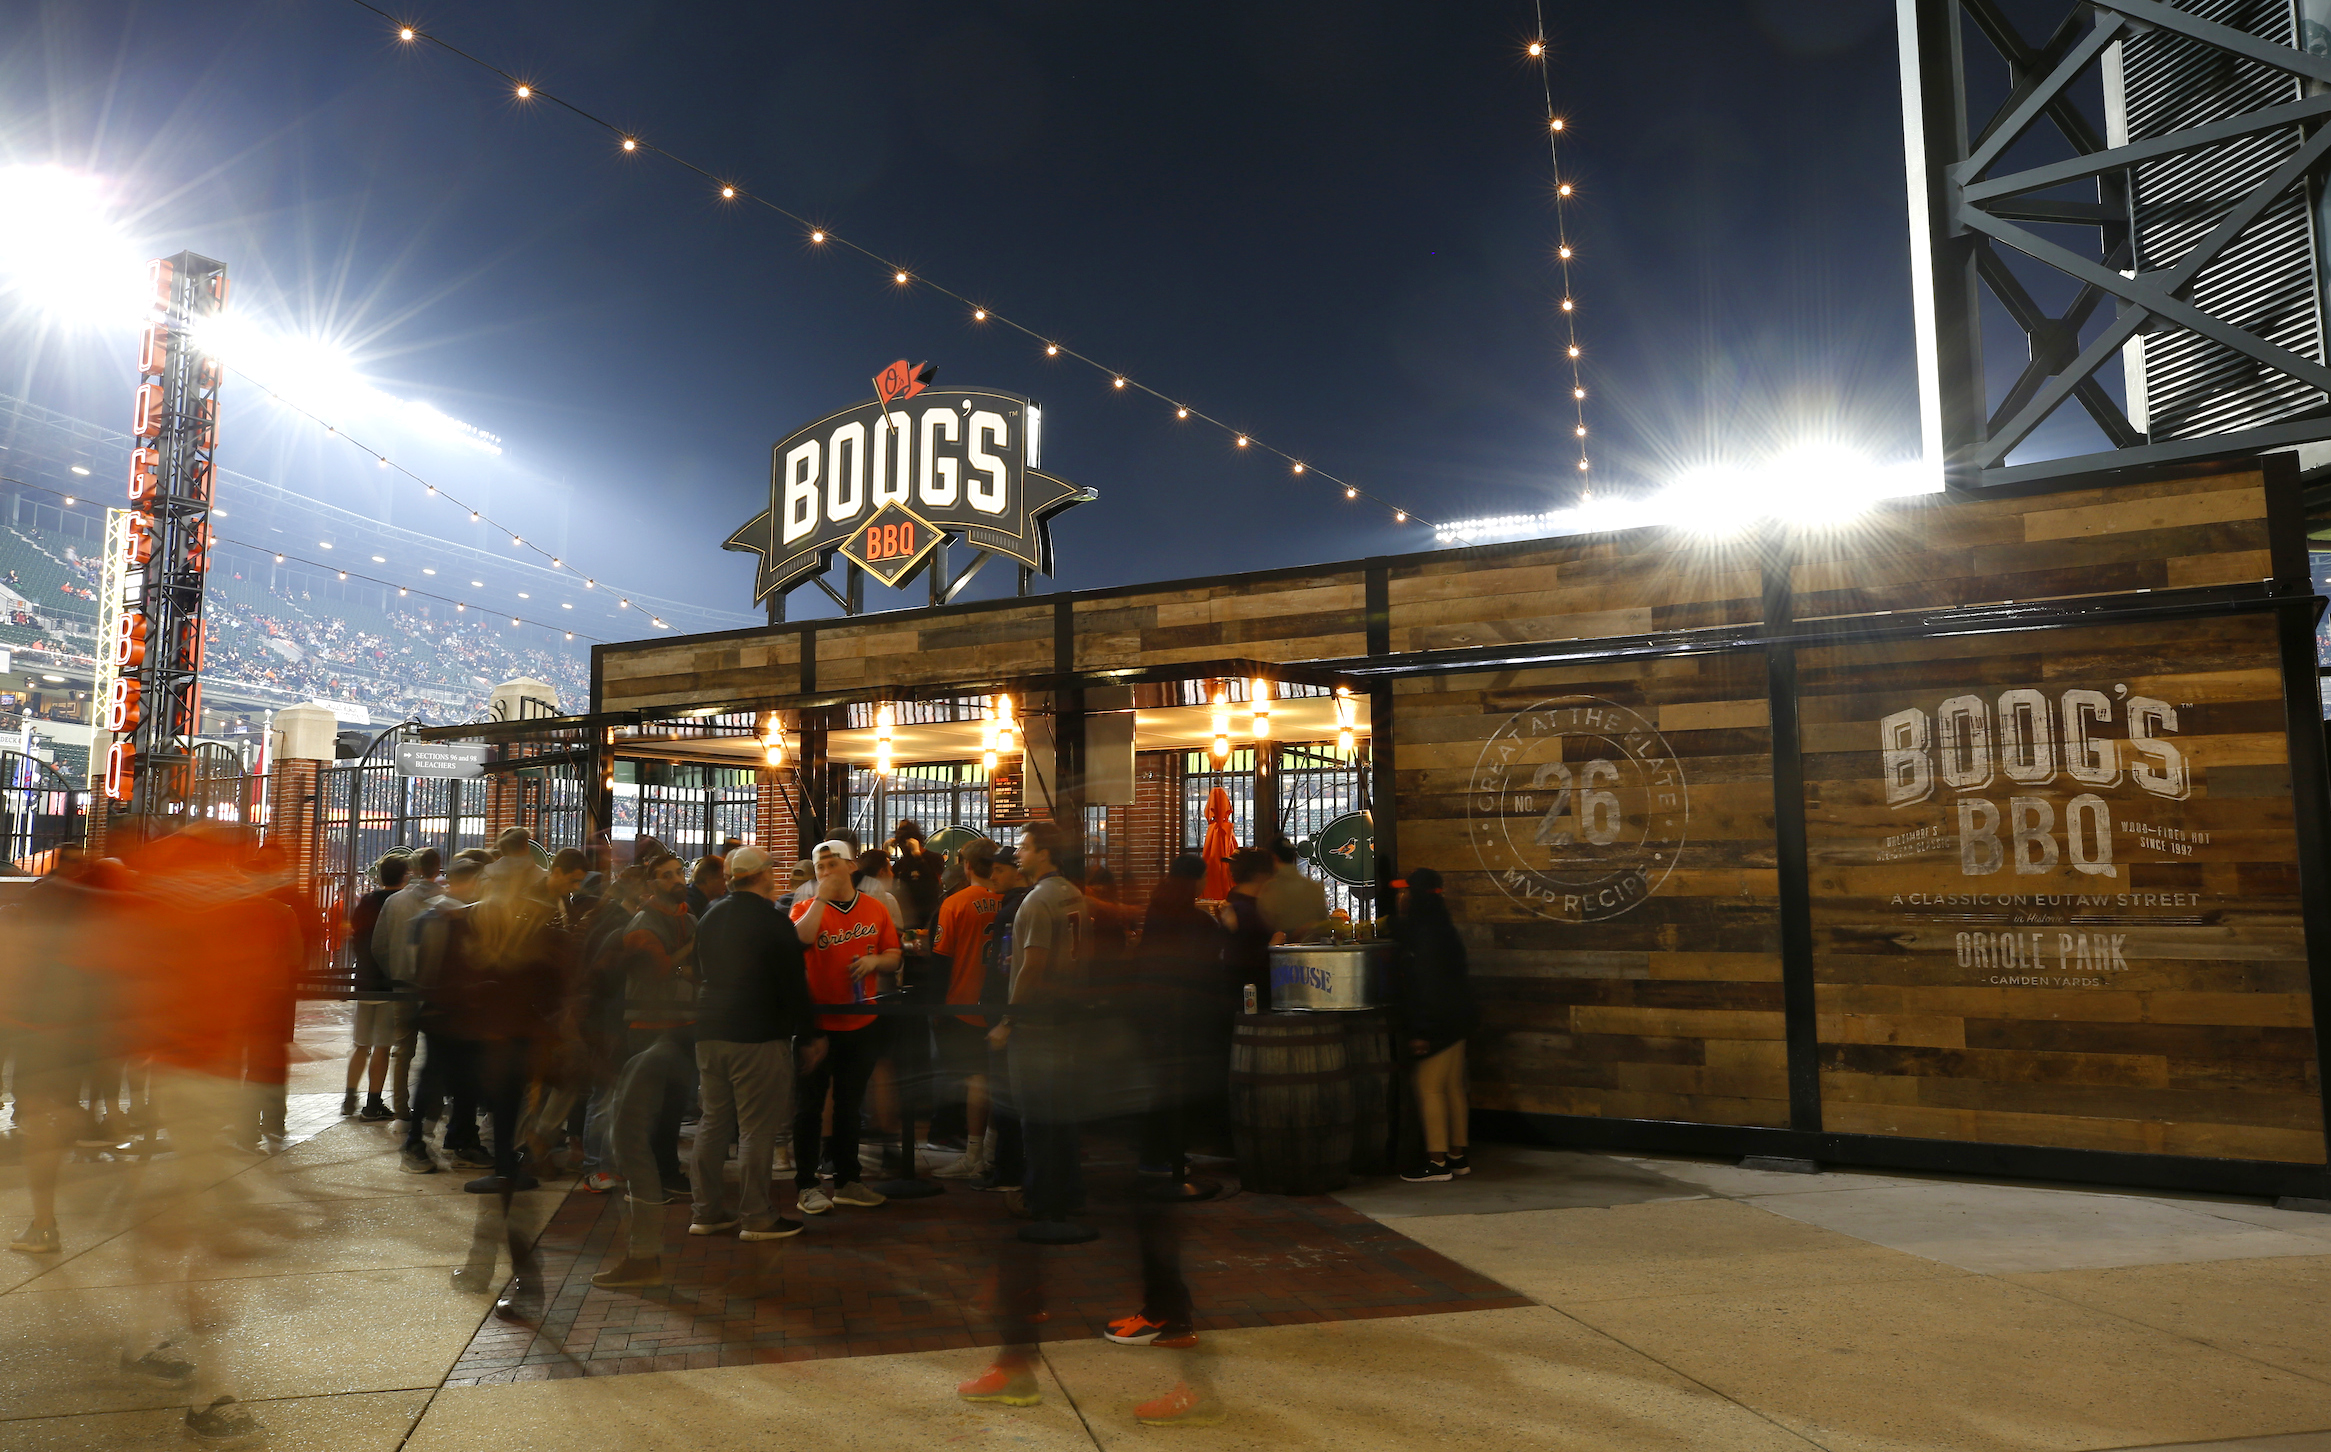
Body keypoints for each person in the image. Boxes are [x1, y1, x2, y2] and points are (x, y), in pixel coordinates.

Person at [685, 845, 822, 1242]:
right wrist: (810, 1033)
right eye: (771, 870)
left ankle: (706, 1211)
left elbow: (697, 969)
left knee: (713, 1123)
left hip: (710, 1029)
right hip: (757, 1033)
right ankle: (757, 1215)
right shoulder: (771, 921)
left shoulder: (711, 915)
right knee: (757, 1129)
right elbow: (793, 984)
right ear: (761, 875)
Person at [789, 839, 899, 1216]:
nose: (824, 871)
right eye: (819, 866)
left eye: (832, 864)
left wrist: (875, 963)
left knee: (851, 1105)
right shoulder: (805, 907)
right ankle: (806, 1184)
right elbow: (800, 940)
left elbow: (894, 954)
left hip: (861, 1020)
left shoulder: (874, 907)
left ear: (851, 867)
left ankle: (848, 1180)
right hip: (817, 1024)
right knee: (809, 1106)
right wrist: (821, 897)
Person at [994, 821, 1091, 1241]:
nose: (1018, 853)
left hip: (1036, 1024)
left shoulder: (1035, 902)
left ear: (1045, 852)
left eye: (1025, 846)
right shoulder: (1074, 894)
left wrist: (1008, 1019)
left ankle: (1042, 1200)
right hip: (1069, 1016)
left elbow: (1032, 964)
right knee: (1064, 1111)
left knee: (1035, 1116)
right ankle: (1070, 1194)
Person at [929, 840, 1011, 1180]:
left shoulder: (956, 903)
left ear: (967, 867)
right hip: (1001, 1006)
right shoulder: (1011, 901)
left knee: (976, 1079)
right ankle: (991, 1149)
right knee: (998, 1080)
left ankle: (975, 1153)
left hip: (963, 1002)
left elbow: (941, 959)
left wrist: (935, 1005)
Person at [1389, 868, 1478, 1183]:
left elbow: (1424, 985)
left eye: (1405, 891)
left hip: (1436, 1020)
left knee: (1428, 1087)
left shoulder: (1422, 934)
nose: (1400, 896)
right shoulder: (1443, 927)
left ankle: (1437, 1162)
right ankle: (1457, 1156)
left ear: (1416, 896)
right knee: (1453, 1087)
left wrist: (1421, 1031)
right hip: (1458, 1018)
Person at [372, 846, 448, 1119]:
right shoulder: (447, 901)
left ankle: (402, 1108)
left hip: (402, 984)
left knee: (403, 1050)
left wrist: (394, 972)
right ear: (438, 868)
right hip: (437, 989)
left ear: (412, 869)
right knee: (438, 1050)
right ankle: (434, 1107)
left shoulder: (394, 902)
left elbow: (379, 945)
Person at [344, 854, 410, 1121]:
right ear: (405, 876)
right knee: (382, 1046)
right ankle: (373, 1103)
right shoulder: (399, 904)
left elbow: (355, 936)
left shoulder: (367, 901)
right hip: (388, 982)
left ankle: (349, 1096)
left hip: (364, 980)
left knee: (361, 1044)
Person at [1215, 848, 1281, 1011]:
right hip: (1250, 997)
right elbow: (1241, 958)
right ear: (1262, 875)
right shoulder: (1243, 909)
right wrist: (1273, 947)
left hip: (1238, 995)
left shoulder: (1235, 903)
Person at [1256, 835, 1332, 941]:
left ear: (1273, 858)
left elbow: (1263, 932)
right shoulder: (1313, 888)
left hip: (1282, 955)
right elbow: (1325, 928)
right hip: (1314, 954)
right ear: (1294, 858)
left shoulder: (1269, 890)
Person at [887, 819, 945, 931]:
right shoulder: (901, 864)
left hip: (928, 918)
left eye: (904, 844)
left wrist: (917, 856)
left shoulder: (933, 858)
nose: (902, 849)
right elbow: (888, 882)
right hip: (906, 918)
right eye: (899, 845)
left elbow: (933, 882)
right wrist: (886, 854)